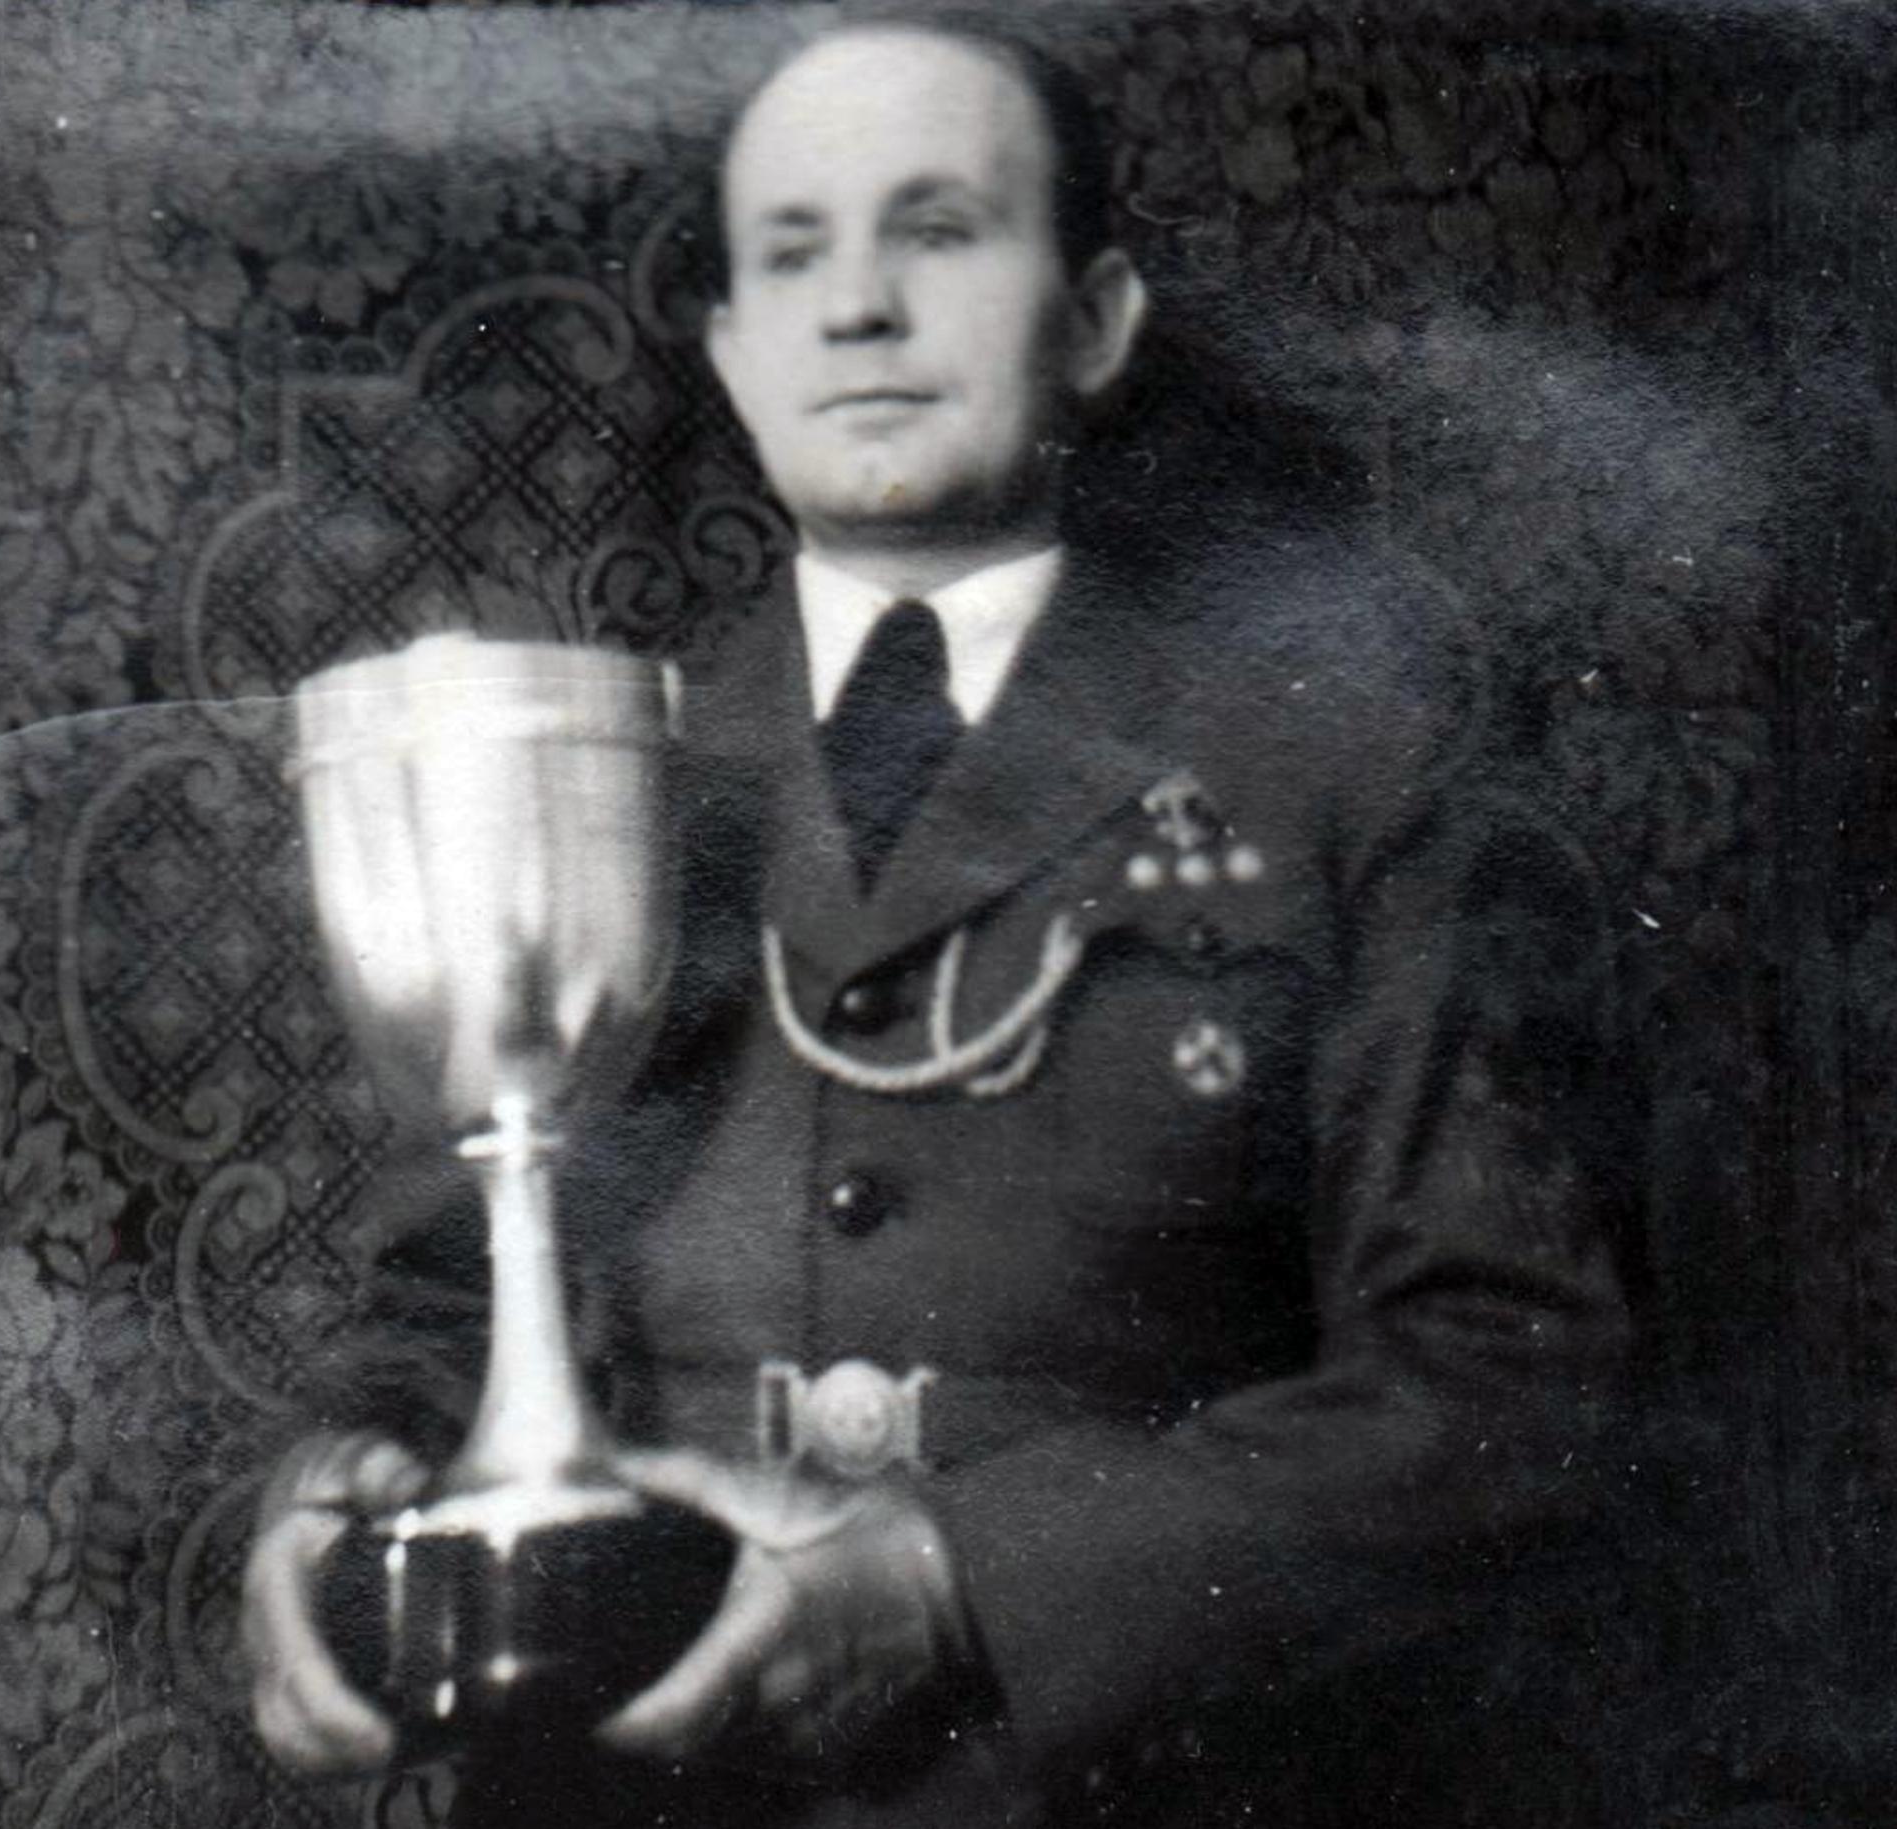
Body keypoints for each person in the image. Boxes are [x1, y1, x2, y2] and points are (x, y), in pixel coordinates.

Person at [242, 17, 1641, 1827]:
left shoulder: (1358, 755)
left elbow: (1508, 1382)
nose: (859, 309)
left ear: (1096, 319)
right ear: (735, 352)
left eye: (940, 230)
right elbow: (445, 1298)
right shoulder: (597, 779)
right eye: (795, 253)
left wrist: (958, 1576)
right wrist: (337, 1488)